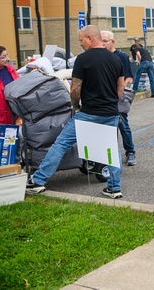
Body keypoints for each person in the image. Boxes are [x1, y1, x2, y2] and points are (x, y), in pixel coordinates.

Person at [27, 25, 124, 198]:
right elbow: (121, 87)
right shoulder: (116, 59)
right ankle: (114, 188)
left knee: (61, 143)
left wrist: (74, 106)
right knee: (111, 149)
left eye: (81, 40)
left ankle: (38, 181)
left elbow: (75, 89)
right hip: (111, 112)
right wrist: (111, 103)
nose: (80, 44)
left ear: (90, 38)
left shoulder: (83, 59)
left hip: (89, 112)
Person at [101, 31, 136, 166]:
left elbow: (128, 77)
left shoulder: (121, 56)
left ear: (112, 42)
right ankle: (109, 155)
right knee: (107, 129)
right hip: (104, 99)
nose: (103, 43)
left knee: (123, 126)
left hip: (118, 98)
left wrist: (121, 95)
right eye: (101, 41)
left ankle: (130, 152)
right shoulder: (101, 57)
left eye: (106, 41)